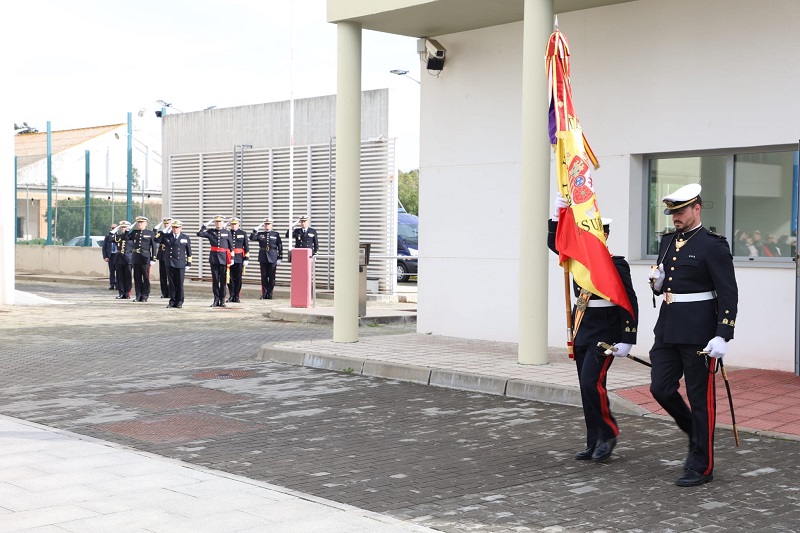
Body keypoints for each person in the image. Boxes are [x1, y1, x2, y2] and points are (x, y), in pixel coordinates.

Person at [647, 183, 738, 487]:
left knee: (701, 399)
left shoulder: (713, 245)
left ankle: (702, 464)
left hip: (700, 332)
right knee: (660, 388)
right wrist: (657, 285)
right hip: (668, 328)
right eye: (672, 212)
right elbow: (666, 283)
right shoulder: (668, 241)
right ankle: (695, 431)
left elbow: (728, 292)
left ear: (697, 208)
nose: (675, 217)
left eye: (681, 211)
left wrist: (723, 334)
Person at [548, 194, 639, 463]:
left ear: (605, 234)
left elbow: (628, 301)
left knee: (592, 382)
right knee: (586, 387)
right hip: (582, 328)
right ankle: (593, 441)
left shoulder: (616, 263)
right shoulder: (578, 260)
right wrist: (557, 216)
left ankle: (608, 434)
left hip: (606, 333)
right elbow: (557, 244)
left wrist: (628, 337)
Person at [196, 215, 234, 307]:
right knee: (215, 280)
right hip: (214, 258)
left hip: (224, 258)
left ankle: (223, 300)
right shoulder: (210, 232)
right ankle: (216, 299)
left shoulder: (227, 232)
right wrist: (205, 225)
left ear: (223, 223)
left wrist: (232, 258)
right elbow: (199, 233)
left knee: (223, 280)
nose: (218, 223)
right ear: (214, 223)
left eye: (220, 222)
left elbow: (231, 246)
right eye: (216, 222)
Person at [156, 219, 192, 308]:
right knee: (171, 283)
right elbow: (156, 239)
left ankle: (179, 301)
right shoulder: (167, 236)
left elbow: (189, 251)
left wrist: (189, 263)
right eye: (173, 227)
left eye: (177, 227)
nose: (175, 229)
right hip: (170, 263)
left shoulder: (185, 237)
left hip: (180, 263)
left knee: (179, 283)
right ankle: (172, 301)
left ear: (181, 228)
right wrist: (163, 231)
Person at [250, 218, 283, 299]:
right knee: (264, 276)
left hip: (272, 256)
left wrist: (280, 257)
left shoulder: (276, 234)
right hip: (263, 256)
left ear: (271, 225)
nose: (267, 225)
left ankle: (270, 293)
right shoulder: (260, 234)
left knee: (272, 276)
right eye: (265, 224)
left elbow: (280, 246)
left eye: (268, 224)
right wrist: (254, 231)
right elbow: (252, 238)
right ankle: (264, 293)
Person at [126, 216, 156, 302]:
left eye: (142, 222)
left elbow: (154, 247)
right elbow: (126, 238)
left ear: (146, 224)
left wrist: (153, 258)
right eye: (138, 223)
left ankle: (145, 295)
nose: (140, 224)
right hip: (136, 256)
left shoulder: (150, 233)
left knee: (145, 277)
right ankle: (138, 295)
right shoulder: (134, 232)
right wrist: (127, 231)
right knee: (137, 277)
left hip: (145, 256)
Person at [226, 217, 250, 303]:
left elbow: (246, 247)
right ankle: (231, 295)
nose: (233, 226)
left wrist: (246, 258)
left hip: (239, 258)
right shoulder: (227, 233)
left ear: (238, 224)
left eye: (235, 224)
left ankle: (237, 296)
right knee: (229, 278)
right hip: (229, 258)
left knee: (238, 278)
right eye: (232, 224)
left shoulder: (243, 233)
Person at [113, 220, 133, 299]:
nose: (123, 228)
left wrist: (127, 232)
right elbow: (109, 238)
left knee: (128, 276)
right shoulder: (118, 236)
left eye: (125, 227)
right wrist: (115, 230)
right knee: (120, 276)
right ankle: (121, 293)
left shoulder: (131, 236)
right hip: (119, 257)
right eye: (122, 227)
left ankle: (127, 292)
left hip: (128, 257)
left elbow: (126, 238)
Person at [154, 217, 173, 298]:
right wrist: (160, 232)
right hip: (162, 256)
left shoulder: (173, 233)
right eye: (165, 224)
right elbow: (156, 240)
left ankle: (170, 292)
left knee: (170, 275)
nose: (166, 225)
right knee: (163, 275)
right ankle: (164, 292)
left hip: (170, 256)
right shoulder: (162, 233)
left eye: (168, 223)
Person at [102, 223, 118, 290]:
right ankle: (112, 284)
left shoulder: (119, 236)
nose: (113, 229)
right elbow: (104, 247)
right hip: (110, 255)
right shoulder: (107, 236)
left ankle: (118, 284)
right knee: (111, 271)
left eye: (115, 228)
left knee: (118, 271)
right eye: (112, 228)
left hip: (117, 255)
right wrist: (105, 256)